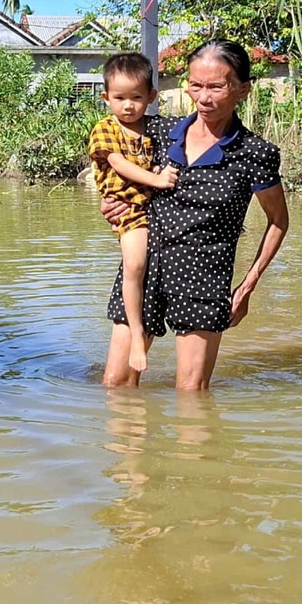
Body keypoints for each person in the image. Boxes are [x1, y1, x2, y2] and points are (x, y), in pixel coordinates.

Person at [100, 40, 290, 392]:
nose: (204, 97)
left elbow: (278, 221)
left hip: (204, 276)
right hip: (145, 266)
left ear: (242, 90)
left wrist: (248, 285)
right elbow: (113, 168)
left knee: (191, 394)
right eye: (196, 85)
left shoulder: (254, 153)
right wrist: (112, 204)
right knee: (117, 385)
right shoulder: (156, 132)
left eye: (217, 87)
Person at [87, 52, 179, 373]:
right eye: (120, 98)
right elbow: (118, 163)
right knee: (135, 264)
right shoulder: (105, 129)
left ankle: (139, 331)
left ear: (151, 97)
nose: (128, 105)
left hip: (151, 208)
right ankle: (137, 334)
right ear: (106, 98)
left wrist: (156, 174)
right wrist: (156, 178)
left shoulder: (154, 131)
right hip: (128, 209)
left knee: (140, 266)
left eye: (136, 97)